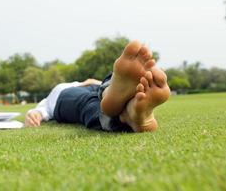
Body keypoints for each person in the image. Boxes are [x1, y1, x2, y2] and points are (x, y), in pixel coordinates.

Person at [25, 40, 170, 132]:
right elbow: (39, 111)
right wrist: (35, 113)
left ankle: (126, 108)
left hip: (91, 89)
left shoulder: (74, 85)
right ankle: (126, 110)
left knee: (98, 95)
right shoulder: (50, 98)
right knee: (90, 101)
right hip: (67, 96)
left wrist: (95, 84)